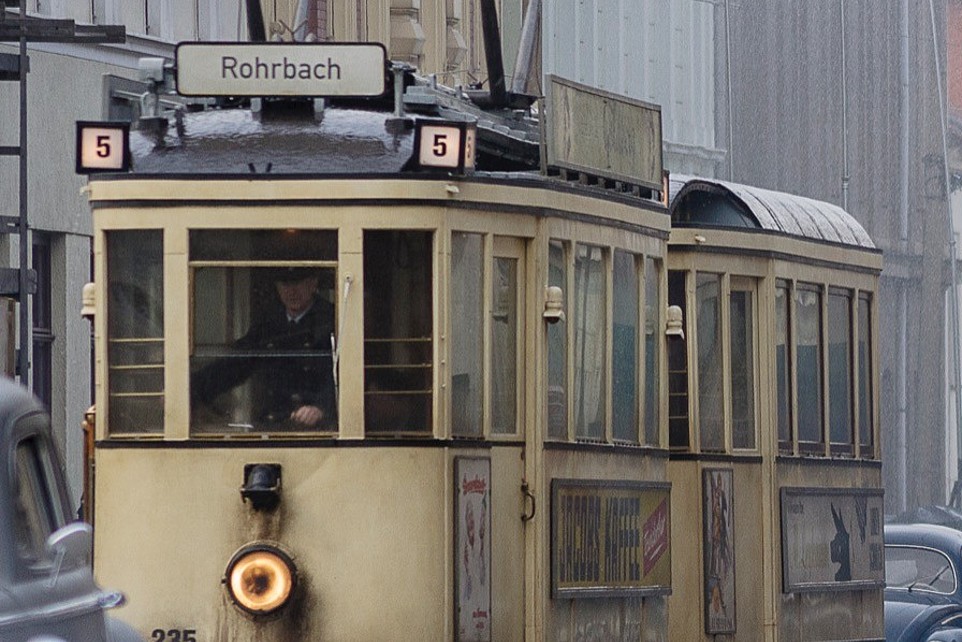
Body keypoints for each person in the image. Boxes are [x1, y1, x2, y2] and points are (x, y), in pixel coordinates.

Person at [192, 267, 336, 430]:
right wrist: (191, 389)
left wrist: (321, 408)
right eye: (285, 285)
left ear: (312, 283)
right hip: (273, 424)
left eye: (297, 283)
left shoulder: (331, 319)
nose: (291, 291)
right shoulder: (268, 322)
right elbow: (234, 365)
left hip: (320, 431)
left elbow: (344, 373)